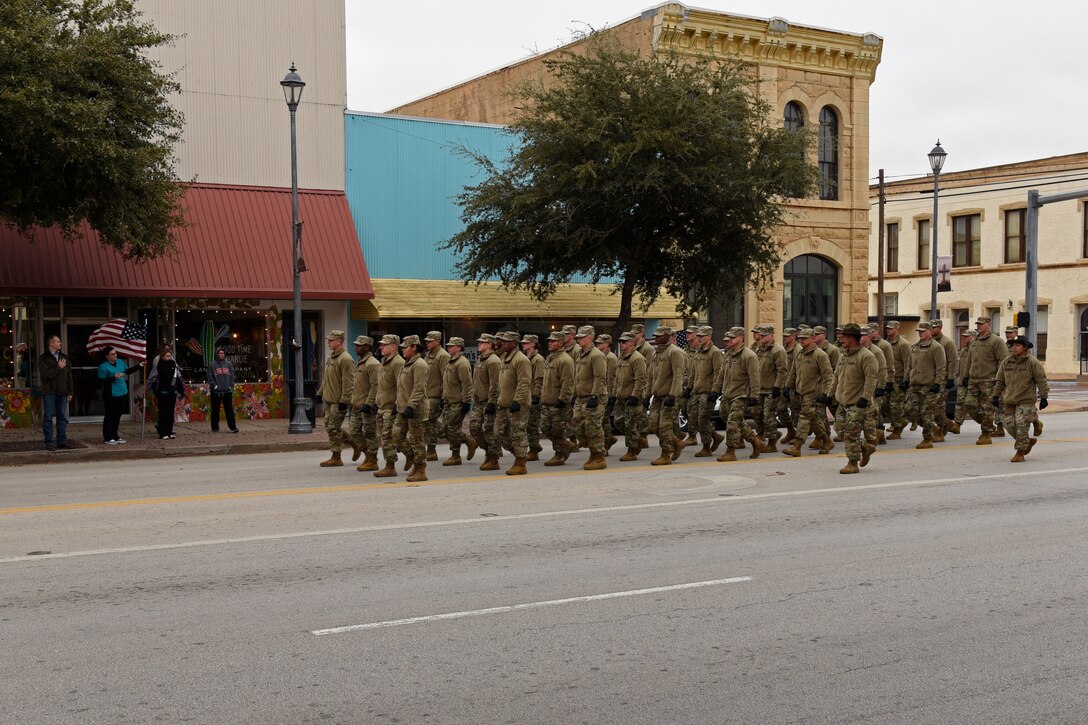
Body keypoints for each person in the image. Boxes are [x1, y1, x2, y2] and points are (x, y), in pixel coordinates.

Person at [993, 336, 1049, 463]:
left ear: (1024, 348)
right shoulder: (1006, 362)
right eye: (1013, 345)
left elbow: (1041, 380)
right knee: (1008, 424)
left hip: (1026, 400)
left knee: (1021, 424)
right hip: (1010, 400)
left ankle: (1020, 452)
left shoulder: (1032, 362)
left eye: (1017, 345)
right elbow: (1000, 381)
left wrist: (1044, 397)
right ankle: (1028, 438)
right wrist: (995, 396)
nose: (1014, 348)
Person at [833, 323, 877, 474]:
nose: (841, 339)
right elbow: (836, 376)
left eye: (843, 336)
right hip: (843, 401)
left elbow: (871, 379)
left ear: (852, 338)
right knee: (839, 428)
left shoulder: (866, 356)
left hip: (857, 402)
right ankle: (866, 446)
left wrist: (865, 397)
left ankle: (852, 463)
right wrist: (830, 395)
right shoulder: (843, 355)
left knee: (851, 433)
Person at [783, 328, 834, 457]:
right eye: (800, 338)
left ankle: (797, 446)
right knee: (813, 419)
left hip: (813, 392)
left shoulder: (820, 355)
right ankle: (827, 441)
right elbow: (793, 372)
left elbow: (828, 375)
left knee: (804, 418)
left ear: (812, 338)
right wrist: (787, 386)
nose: (802, 340)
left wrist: (827, 393)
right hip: (800, 391)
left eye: (805, 338)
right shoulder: (799, 353)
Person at [717, 329, 764, 462]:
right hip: (727, 394)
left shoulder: (749, 355)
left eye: (733, 338)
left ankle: (730, 451)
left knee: (732, 423)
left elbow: (755, 377)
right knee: (726, 417)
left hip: (741, 395)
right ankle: (756, 441)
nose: (729, 340)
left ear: (741, 338)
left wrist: (754, 395)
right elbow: (721, 374)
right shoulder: (728, 354)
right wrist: (715, 390)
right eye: (728, 338)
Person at [963, 316, 1009, 445]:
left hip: (989, 380)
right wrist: (966, 376)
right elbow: (969, 360)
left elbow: (1003, 361)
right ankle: (988, 425)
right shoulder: (975, 341)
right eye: (977, 324)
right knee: (969, 404)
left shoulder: (996, 341)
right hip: (974, 380)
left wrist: (999, 379)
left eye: (981, 324)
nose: (978, 326)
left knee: (987, 408)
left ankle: (986, 433)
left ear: (988, 325)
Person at [315, 330, 356, 467]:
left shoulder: (346, 359)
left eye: (331, 340)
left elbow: (348, 382)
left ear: (339, 341)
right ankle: (354, 443)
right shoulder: (331, 357)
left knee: (333, 428)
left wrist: (345, 401)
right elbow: (327, 379)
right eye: (329, 340)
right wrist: (320, 393)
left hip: (338, 401)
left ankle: (336, 457)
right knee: (329, 427)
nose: (328, 343)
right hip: (329, 399)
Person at [647, 326, 687, 465]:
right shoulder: (656, 353)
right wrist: (647, 394)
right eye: (656, 335)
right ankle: (677, 442)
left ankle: (665, 454)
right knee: (653, 424)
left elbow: (678, 375)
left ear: (668, 336)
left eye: (659, 336)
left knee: (664, 426)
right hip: (658, 395)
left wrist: (673, 394)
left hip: (670, 395)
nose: (656, 338)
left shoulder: (675, 352)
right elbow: (651, 375)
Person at [904, 322, 947, 450]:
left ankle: (927, 438)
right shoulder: (915, 347)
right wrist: (906, 379)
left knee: (926, 412)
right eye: (919, 331)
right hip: (915, 385)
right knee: (909, 409)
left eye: (923, 331)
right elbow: (909, 365)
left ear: (929, 331)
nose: (920, 333)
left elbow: (941, 367)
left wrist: (938, 383)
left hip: (929, 386)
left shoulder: (936, 347)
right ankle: (933, 428)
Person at [393, 335, 430, 482]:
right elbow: (401, 388)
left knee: (416, 440)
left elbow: (419, 388)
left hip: (415, 409)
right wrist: (398, 404)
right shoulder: (407, 363)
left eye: (405, 347)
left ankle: (421, 469)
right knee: (396, 436)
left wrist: (411, 406)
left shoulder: (420, 364)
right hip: (403, 408)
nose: (402, 350)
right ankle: (413, 459)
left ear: (414, 347)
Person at [495, 331, 532, 475]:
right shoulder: (505, 358)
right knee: (498, 433)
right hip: (503, 403)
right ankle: (519, 454)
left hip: (517, 404)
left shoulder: (521, 359)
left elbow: (524, 382)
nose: (502, 343)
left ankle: (521, 463)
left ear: (515, 344)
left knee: (518, 433)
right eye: (502, 341)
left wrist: (517, 400)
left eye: (506, 341)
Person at [572, 325, 608, 470]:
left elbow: (600, 377)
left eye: (581, 337)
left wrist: (594, 395)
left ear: (590, 338)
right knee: (577, 423)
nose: (578, 340)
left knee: (593, 427)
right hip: (581, 397)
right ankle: (593, 451)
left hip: (594, 397)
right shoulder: (580, 354)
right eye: (578, 337)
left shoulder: (596, 355)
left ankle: (599, 457)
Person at [687, 325, 724, 457]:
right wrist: (689, 387)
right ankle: (715, 436)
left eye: (702, 336)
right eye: (698, 336)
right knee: (693, 419)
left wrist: (715, 390)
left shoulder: (715, 352)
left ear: (709, 336)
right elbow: (693, 372)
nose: (699, 338)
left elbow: (719, 372)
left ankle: (706, 447)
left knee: (702, 419)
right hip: (696, 390)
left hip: (707, 392)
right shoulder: (698, 351)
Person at [97, 346, 145, 444]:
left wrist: (139, 365)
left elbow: (127, 371)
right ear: (107, 356)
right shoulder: (103, 366)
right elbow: (100, 382)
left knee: (117, 416)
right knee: (110, 416)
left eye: (115, 353)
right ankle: (108, 437)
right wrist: (113, 377)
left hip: (122, 393)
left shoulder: (120, 362)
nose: (115, 355)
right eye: (112, 354)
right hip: (111, 394)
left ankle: (115, 435)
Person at [541, 331, 575, 466]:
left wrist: (563, 399)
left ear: (561, 343)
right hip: (547, 401)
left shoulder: (565, 360)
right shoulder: (550, 358)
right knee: (545, 428)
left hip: (558, 402)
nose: (550, 343)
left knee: (557, 430)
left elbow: (568, 382)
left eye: (553, 341)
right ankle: (567, 445)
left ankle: (559, 454)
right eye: (549, 341)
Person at [373, 334, 405, 477]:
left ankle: (390, 466)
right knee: (383, 437)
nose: (381, 347)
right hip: (382, 406)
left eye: (384, 345)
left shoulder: (397, 362)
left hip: (390, 408)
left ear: (394, 346)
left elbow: (401, 386)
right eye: (381, 345)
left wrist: (396, 406)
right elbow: (381, 386)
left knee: (387, 438)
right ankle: (408, 457)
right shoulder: (384, 361)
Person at [470, 333, 502, 471]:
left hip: (489, 401)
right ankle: (489, 451)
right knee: (474, 427)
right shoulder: (480, 359)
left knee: (489, 430)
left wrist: (492, 402)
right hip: (478, 400)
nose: (479, 344)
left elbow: (495, 384)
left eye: (482, 342)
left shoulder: (493, 361)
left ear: (490, 344)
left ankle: (493, 458)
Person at [441, 336, 475, 466]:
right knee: (444, 430)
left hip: (458, 402)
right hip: (449, 402)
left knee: (453, 428)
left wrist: (466, 402)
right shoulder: (451, 361)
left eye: (451, 346)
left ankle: (457, 454)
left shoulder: (462, 363)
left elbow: (467, 384)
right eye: (448, 346)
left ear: (459, 348)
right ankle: (467, 443)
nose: (449, 348)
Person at [614, 331, 648, 461]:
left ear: (632, 343)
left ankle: (632, 451)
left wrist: (635, 395)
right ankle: (638, 440)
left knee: (630, 425)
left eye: (624, 342)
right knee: (618, 422)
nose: (621, 344)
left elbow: (641, 379)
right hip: (621, 397)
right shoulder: (621, 357)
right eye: (620, 342)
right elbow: (617, 378)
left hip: (632, 397)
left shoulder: (637, 358)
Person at [349, 335, 381, 471]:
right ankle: (368, 455)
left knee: (370, 433)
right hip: (357, 405)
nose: (356, 347)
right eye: (356, 345)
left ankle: (372, 459)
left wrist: (369, 403)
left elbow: (376, 385)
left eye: (359, 345)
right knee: (354, 431)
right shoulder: (360, 362)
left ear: (366, 347)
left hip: (367, 406)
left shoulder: (372, 363)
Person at [755, 325, 788, 452]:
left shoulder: (778, 350)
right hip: (760, 388)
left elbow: (782, 370)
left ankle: (772, 443)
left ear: (771, 335)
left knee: (768, 415)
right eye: (761, 335)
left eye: (764, 335)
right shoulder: (760, 350)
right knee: (756, 413)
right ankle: (761, 435)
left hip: (771, 389)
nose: (761, 337)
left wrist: (777, 387)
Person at [38, 335, 73, 451]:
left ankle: (62, 442)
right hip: (49, 392)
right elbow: (45, 375)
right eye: (57, 341)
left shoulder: (64, 357)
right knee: (48, 417)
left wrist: (70, 391)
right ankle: (49, 442)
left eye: (60, 341)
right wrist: (58, 367)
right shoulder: (43, 358)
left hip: (62, 392)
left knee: (62, 417)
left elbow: (69, 376)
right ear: (51, 343)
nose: (60, 343)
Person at [422, 331, 450, 462]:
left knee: (429, 422)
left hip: (436, 395)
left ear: (437, 342)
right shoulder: (429, 355)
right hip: (427, 394)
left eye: (430, 341)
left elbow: (446, 377)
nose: (427, 343)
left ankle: (431, 450)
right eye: (426, 341)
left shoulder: (443, 356)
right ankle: (462, 439)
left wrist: (444, 397)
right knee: (430, 422)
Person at [151, 347, 186, 440]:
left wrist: (180, 389)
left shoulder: (173, 363)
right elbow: (163, 377)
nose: (169, 358)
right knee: (163, 412)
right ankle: (162, 432)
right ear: (162, 357)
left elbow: (177, 377)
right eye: (167, 356)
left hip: (172, 390)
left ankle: (169, 431)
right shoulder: (160, 365)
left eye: (170, 356)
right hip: (164, 391)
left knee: (171, 412)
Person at [883, 321, 911, 438]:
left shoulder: (903, 344)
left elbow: (908, 363)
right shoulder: (885, 343)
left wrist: (906, 380)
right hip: (888, 379)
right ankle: (900, 421)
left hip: (899, 379)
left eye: (891, 328)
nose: (888, 330)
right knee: (885, 405)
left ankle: (897, 430)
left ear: (897, 329)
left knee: (895, 406)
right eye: (887, 328)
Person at [521, 334, 546, 461]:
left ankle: (534, 450)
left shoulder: (538, 359)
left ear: (533, 344)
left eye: (526, 343)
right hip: (526, 396)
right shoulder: (527, 358)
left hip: (533, 397)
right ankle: (534, 446)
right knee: (527, 425)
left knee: (532, 425)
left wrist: (536, 395)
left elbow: (539, 379)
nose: (523, 344)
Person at [206, 348, 239, 434]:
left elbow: (232, 375)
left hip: (227, 391)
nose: (221, 354)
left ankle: (233, 427)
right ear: (217, 354)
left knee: (229, 410)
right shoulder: (212, 365)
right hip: (216, 392)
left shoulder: (228, 364)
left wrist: (230, 385)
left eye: (223, 353)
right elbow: (210, 377)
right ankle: (215, 427)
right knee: (215, 410)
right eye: (220, 353)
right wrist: (215, 386)